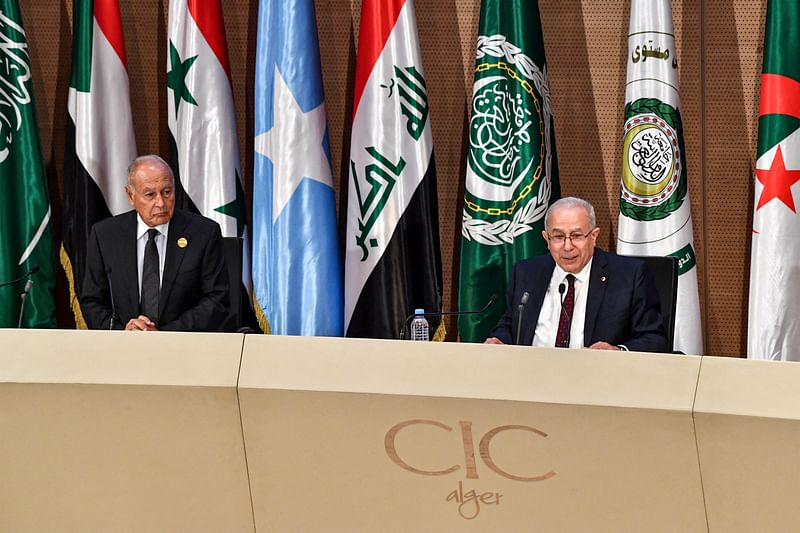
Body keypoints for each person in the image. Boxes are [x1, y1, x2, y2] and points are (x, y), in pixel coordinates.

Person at [485, 197, 668, 353]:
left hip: (597, 382)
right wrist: (499, 340)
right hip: (531, 379)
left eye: (577, 236)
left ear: (594, 236)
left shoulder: (629, 276)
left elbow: (655, 339)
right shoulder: (527, 272)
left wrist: (617, 351)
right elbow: (510, 324)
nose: (567, 246)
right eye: (558, 237)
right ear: (546, 239)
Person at [80, 155, 230, 331]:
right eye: (150, 195)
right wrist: (123, 331)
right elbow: (92, 301)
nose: (161, 203)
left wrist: (164, 335)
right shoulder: (105, 235)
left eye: (167, 192)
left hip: (184, 348)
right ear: (130, 196)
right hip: (124, 348)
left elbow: (218, 299)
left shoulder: (203, 233)